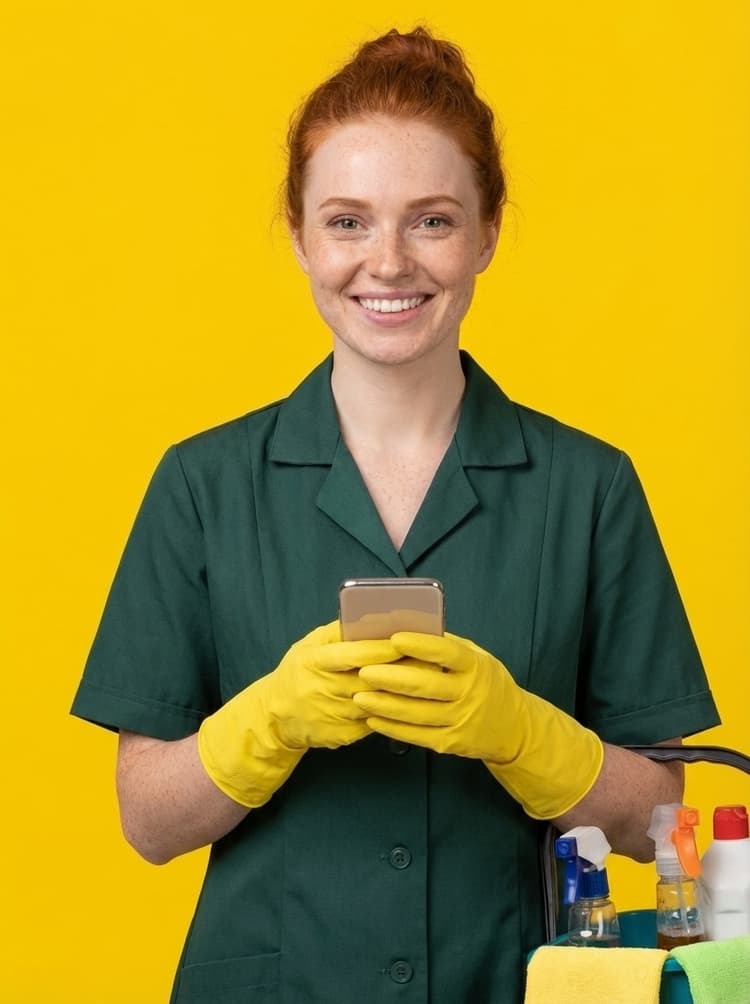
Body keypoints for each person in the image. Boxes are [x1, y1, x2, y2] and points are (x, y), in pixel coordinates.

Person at [71, 26, 720, 1004]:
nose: (387, 262)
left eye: (431, 220)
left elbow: (654, 817)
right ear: (296, 233)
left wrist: (521, 731)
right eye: (347, 221)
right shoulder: (201, 484)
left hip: (508, 979)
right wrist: (272, 718)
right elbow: (147, 821)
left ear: (488, 231)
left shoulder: (590, 487)